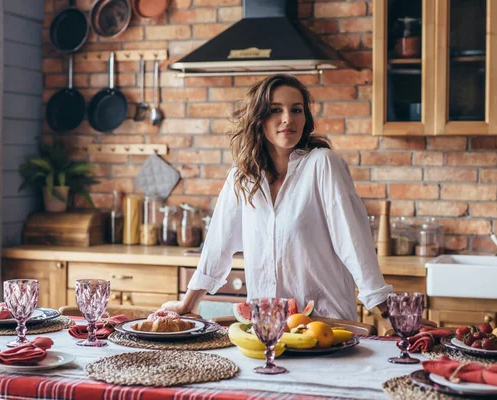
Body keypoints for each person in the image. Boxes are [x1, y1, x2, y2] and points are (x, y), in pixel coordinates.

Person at [162, 74, 433, 326]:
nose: (287, 119)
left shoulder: (323, 164)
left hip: (326, 321)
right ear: (259, 119)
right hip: (267, 324)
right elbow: (217, 245)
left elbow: (354, 242)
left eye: (296, 110)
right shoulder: (242, 177)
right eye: (275, 110)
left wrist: (388, 310)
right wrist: (188, 304)